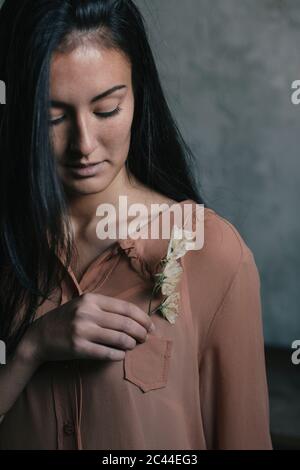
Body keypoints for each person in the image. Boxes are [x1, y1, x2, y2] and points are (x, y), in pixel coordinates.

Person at [0, 0, 272, 450]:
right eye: (52, 117)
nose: (83, 145)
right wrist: (32, 348)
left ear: (138, 96)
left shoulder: (210, 252)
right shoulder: (11, 246)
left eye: (106, 110)